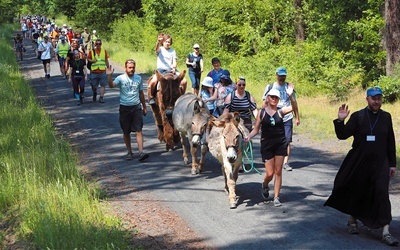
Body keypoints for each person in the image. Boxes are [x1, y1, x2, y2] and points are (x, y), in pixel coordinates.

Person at [324, 86, 398, 246]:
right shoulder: (358, 116)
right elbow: (342, 135)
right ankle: (352, 220)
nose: (377, 101)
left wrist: (392, 163)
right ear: (367, 99)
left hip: (381, 163)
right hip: (360, 161)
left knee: (381, 194)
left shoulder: (386, 117)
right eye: (373, 98)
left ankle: (386, 232)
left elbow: (390, 141)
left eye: (379, 98)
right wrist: (340, 120)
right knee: (358, 190)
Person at [244, 87, 294, 207]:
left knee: (278, 172)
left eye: (276, 97)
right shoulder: (261, 113)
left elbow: (295, 107)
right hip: (267, 144)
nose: (274, 99)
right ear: (268, 98)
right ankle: (265, 184)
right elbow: (256, 129)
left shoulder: (281, 112)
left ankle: (276, 197)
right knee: (270, 173)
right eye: (272, 97)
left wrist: (291, 96)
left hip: (280, 144)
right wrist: (248, 137)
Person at [106, 60, 149, 162]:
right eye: (129, 67)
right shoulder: (120, 78)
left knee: (139, 130)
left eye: (133, 67)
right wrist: (109, 76)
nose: (131, 69)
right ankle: (129, 152)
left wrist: (144, 106)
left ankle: (141, 152)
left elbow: (141, 93)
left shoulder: (138, 78)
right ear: (125, 68)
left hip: (136, 107)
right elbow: (111, 85)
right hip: (125, 108)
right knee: (126, 132)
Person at [262, 67, 300, 171]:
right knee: (273, 138)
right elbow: (263, 104)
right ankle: (272, 158)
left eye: (284, 75)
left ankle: (285, 162)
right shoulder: (270, 87)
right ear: (276, 75)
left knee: (287, 140)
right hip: (274, 116)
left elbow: (295, 104)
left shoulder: (289, 87)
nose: (282, 77)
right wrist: (263, 116)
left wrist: (297, 117)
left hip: (287, 116)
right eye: (280, 75)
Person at [147, 33, 187, 105]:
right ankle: (151, 97)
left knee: (184, 81)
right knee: (153, 81)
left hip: (171, 70)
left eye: (169, 42)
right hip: (161, 70)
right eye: (166, 41)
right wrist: (158, 42)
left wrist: (174, 68)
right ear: (163, 42)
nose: (167, 43)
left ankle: (182, 97)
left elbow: (174, 61)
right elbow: (156, 49)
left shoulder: (173, 51)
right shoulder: (160, 49)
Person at [87, 39, 110, 103]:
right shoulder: (91, 52)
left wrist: (108, 67)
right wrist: (92, 61)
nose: (98, 45)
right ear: (95, 44)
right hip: (94, 71)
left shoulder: (104, 51)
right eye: (97, 44)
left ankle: (101, 97)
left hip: (102, 71)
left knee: (103, 85)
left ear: (101, 44)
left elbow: (106, 60)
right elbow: (88, 59)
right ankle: (94, 92)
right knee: (94, 85)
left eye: (99, 44)